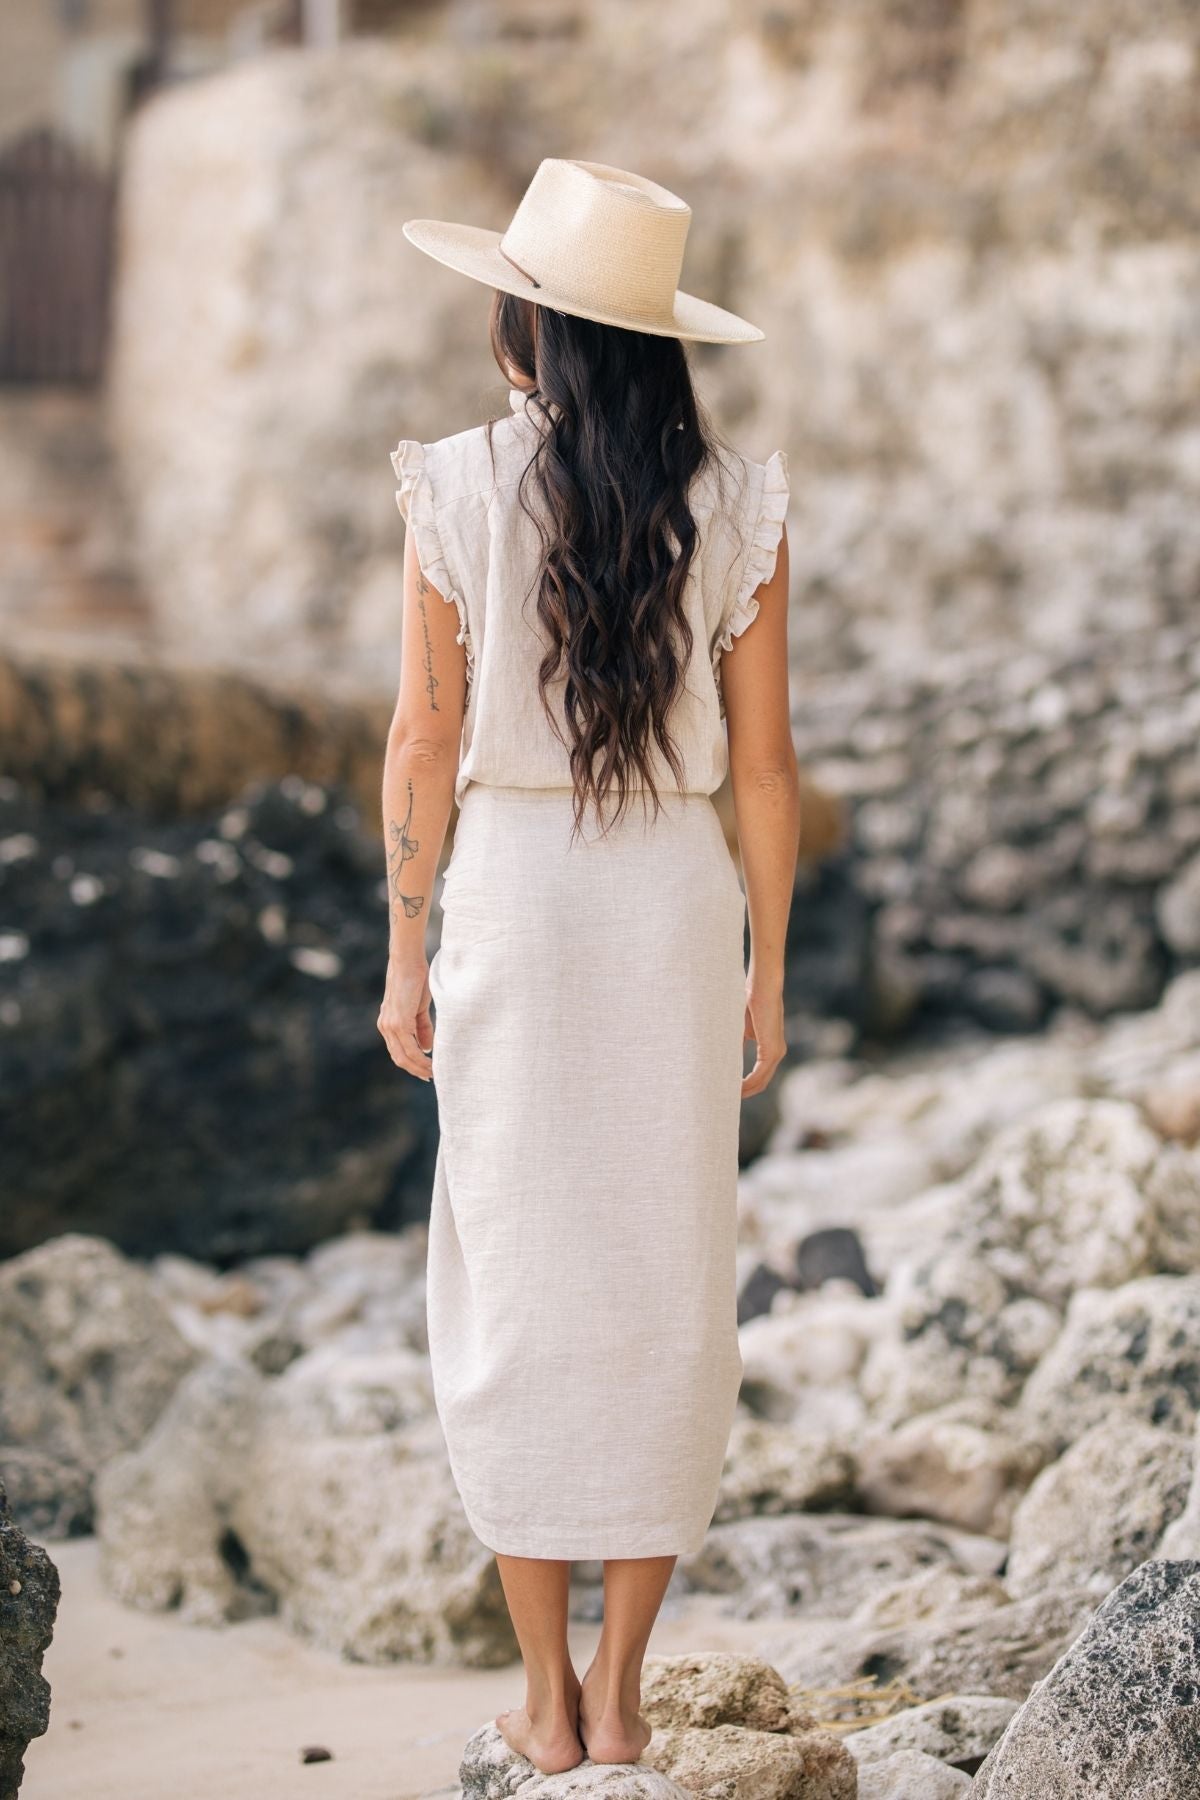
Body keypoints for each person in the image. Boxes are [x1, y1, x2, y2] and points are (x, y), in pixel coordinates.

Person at [378, 159, 799, 1775]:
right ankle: (625, 1695)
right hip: (671, 916)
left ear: (520, 332)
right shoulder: (739, 500)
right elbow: (764, 771)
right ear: (661, 343)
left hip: (516, 902)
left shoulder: (458, 487)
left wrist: (405, 948)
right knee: (665, 1285)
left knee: (516, 1284)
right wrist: (768, 971)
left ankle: (541, 1698)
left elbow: (423, 742)